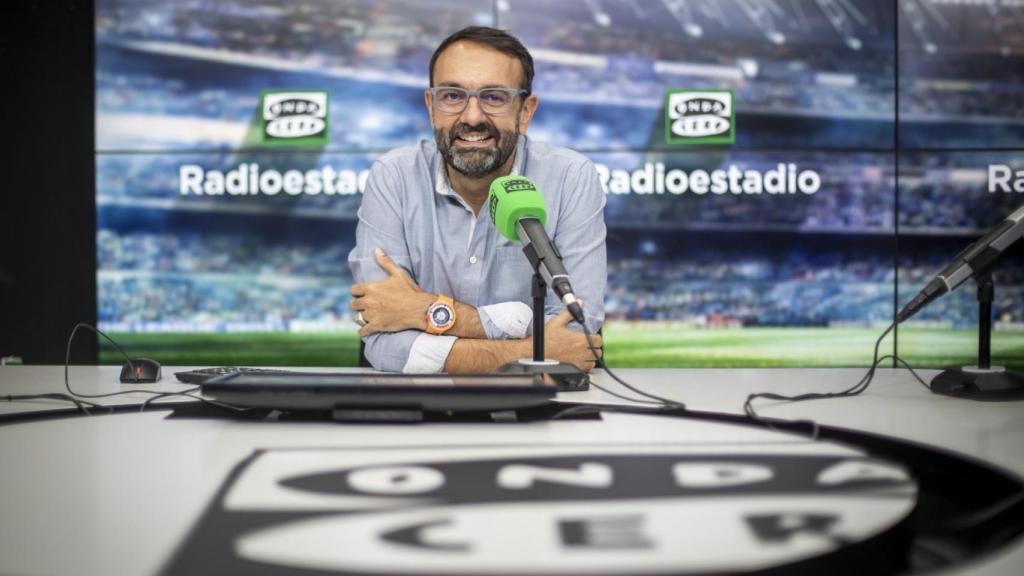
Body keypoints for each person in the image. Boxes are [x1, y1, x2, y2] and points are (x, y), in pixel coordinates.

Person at [347, 26, 606, 373]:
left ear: (525, 111)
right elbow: (383, 341)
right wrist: (527, 351)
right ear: (431, 106)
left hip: (541, 412)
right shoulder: (393, 177)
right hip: (418, 410)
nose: (471, 117)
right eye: (452, 96)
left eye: (494, 97)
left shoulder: (571, 177)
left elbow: (576, 331)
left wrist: (428, 313)